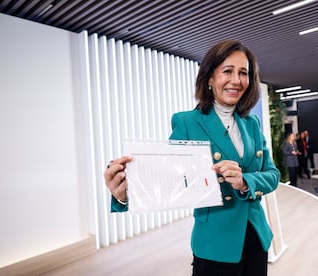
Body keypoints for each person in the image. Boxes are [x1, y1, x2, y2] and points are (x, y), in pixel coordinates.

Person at [104, 40, 281, 276]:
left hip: (256, 236)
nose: (237, 80)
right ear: (209, 77)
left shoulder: (252, 123)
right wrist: (125, 196)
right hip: (214, 243)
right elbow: (170, 179)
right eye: (227, 71)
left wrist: (244, 182)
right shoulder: (187, 122)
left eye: (243, 73)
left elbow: (272, 174)